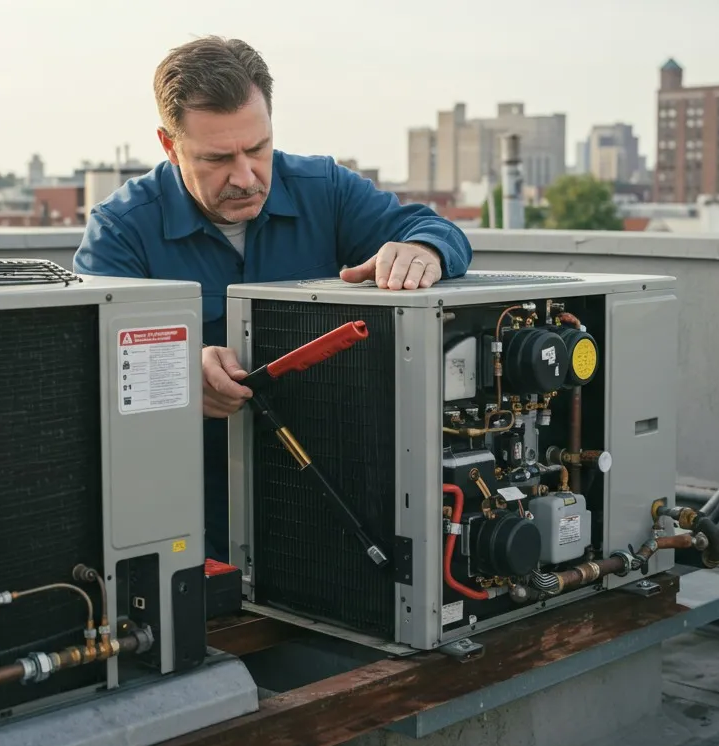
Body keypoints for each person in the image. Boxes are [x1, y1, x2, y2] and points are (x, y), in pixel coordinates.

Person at [73, 36, 473, 562]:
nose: (245, 177)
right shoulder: (121, 231)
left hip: (337, 487)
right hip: (198, 509)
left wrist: (423, 249)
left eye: (258, 148)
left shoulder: (325, 188)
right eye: (218, 158)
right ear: (169, 145)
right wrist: (181, 374)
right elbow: (91, 367)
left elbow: (437, 230)